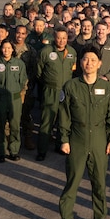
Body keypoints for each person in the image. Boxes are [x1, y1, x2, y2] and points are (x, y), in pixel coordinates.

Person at [57, 46, 110, 219]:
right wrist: (64, 139)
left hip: (100, 139)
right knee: (72, 181)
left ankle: (99, 217)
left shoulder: (107, 87)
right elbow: (64, 115)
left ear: (100, 63)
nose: (89, 63)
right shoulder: (70, 86)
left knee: (99, 181)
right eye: (85, 59)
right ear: (80, 62)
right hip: (77, 138)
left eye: (93, 60)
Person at [35, 28, 77, 160]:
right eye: (59, 38)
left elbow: (73, 70)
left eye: (64, 38)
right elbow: (39, 72)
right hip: (50, 90)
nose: (62, 41)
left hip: (66, 91)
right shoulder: (45, 52)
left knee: (64, 120)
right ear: (54, 37)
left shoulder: (72, 52)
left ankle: (60, 145)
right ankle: (42, 150)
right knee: (47, 120)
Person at [0, 40, 28, 161]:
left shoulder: (19, 64)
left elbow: (23, 81)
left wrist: (16, 91)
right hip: (0, 99)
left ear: (13, 49)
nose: (6, 50)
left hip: (15, 99)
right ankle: (1, 152)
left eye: (9, 48)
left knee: (15, 125)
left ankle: (14, 151)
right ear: (1, 49)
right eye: (4, 48)